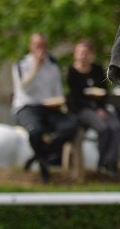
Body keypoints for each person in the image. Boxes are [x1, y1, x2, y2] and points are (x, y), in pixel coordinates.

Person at [11, 33, 78, 182]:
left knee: (71, 126)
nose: (41, 49)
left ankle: (38, 156)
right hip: (27, 106)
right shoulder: (22, 64)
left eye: (43, 45)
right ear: (31, 47)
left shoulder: (53, 64)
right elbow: (24, 88)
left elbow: (58, 90)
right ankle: (43, 166)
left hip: (49, 107)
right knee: (36, 131)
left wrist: (61, 104)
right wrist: (36, 67)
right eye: (37, 46)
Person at [66, 39, 120, 181]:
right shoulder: (72, 72)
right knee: (103, 128)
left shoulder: (97, 69)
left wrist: (100, 107)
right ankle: (103, 163)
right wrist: (95, 108)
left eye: (85, 53)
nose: (83, 56)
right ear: (75, 54)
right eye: (80, 53)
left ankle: (111, 163)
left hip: (100, 108)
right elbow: (76, 97)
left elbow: (104, 91)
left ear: (91, 54)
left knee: (116, 127)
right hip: (83, 110)